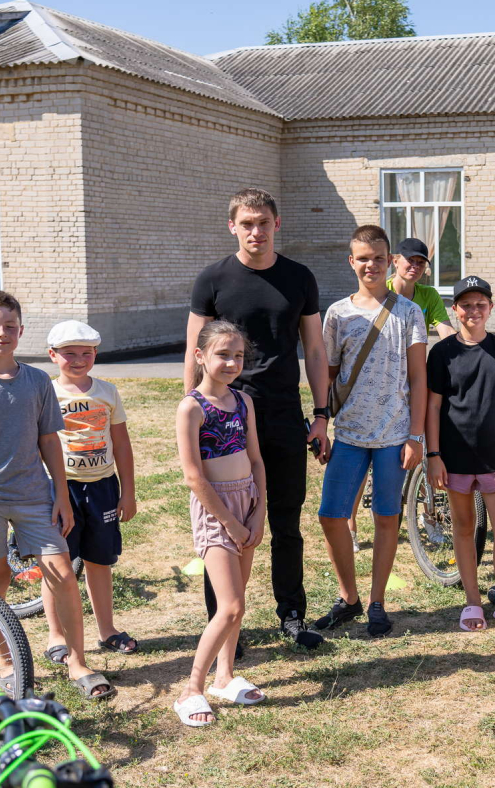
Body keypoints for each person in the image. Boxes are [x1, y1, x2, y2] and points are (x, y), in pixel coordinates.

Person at [0, 291, 114, 700]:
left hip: (35, 496)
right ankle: (7, 663)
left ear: (21, 331)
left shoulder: (37, 381)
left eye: (10, 326)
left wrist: (61, 495)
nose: (2, 333)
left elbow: (49, 440)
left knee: (62, 573)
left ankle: (78, 662)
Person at [188, 188, 328, 651]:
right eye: (246, 223)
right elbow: (193, 352)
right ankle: (226, 623)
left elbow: (313, 348)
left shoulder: (299, 278)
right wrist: (194, 415)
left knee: (286, 520)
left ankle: (291, 613)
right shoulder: (212, 279)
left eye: (263, 222)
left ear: (276, 224)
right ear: (233, 227)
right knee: (226, 519)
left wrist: (322, 414)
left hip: (284, 413)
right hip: (226, 418)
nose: (256, 231)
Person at [315, 225, 427, 637]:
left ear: (391, 261)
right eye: (363, 258)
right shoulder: (338, 314)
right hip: (348, 433)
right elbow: (326, 376)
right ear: (352, 261)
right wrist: (321, 421)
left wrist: (415, 436)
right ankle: (349, 597)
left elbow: (418, 377)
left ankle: (377, 601)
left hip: (394, 436)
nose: (371, 265)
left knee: (386, 517)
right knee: (331, 515)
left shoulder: (409, 313)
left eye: (379, 258)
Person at [426, 276, 495, 631]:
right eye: (466, 305)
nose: (473, 311)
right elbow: (432, 407)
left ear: (490, 308)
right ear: (455, 310)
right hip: (454, 455)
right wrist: (434, 454)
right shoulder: (442, 353)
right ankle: (473, 601)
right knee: (463, 525)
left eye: (481, 304)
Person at [174, 321, 267, 727]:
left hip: (246, 501)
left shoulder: (244, 402)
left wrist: (258, 511)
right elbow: (194, 476)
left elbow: (257, 460)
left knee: (239, 600)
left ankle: (224, 676)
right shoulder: (191, 407)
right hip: (216, 510)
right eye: (222, 354)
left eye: (238, 355)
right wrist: (230, 522)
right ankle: (191, 688)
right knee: (228, 605)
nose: (231, 362)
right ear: (201, 357)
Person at [345, 237, 455, 553]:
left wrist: (462, 349)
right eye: (410, 260)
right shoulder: (382, 290)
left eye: (421, 262)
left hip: (412, 385)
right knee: (364, 463)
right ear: (395, 260)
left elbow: (445, 331)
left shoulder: (427, 295)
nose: (415, 266)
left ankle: (428, 518)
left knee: (420, 449)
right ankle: (350, 524)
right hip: (378, 388)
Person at [41, 320, 138, 662]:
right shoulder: (46, 393)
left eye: (86, 353)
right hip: (59, 489)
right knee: (58, 563)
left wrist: (128, 491)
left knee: (100, 560)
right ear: (53, 355)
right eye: (69, 353)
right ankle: (56, 635)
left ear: (95, 354)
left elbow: (121, 443)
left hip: (102, 488)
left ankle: (107, 630)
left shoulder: (108, 392)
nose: (79, 359)